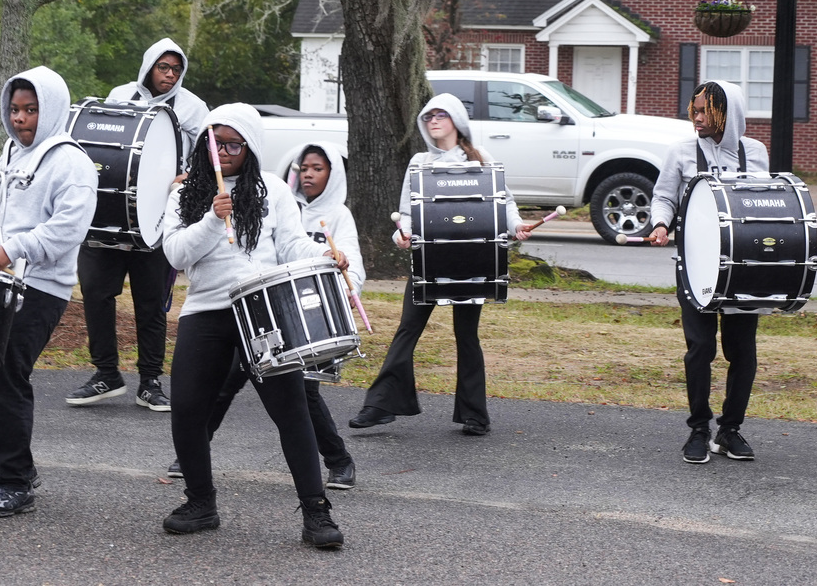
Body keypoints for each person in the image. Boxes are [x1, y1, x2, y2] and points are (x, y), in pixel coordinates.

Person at [161, 103, 347, 549]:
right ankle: (201, 502)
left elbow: (292, 246)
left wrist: (325, 257)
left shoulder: (275, 192)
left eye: (232, 144)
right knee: (186, 407)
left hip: (261, 307)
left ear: (250, 147)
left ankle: (316, 512)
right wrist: (211, 218)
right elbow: (175, 255)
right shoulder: (185, 194)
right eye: (214, 142)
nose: (222, 151)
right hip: (205, 308)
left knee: (290, 409)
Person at [0, 66, 98, 516]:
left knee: (7, 368)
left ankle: (16, 482)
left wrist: (13, 249)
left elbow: (67, 229)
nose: (20, 119)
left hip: (42, 286)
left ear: (49, 109)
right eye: (14, 110)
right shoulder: (12, 151)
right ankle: (6, 464)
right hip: (3, 281)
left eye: (30, 110)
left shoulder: (72, 162)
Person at [349, 92, 530, 435]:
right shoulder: (419, 162)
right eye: (428, 116)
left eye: (440, 116)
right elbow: (406, 214)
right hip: (428, 260)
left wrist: (516, 225)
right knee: (407, 329)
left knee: (466, 334)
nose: (432, 121)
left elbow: (503, 203)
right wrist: (400, 235)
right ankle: (380, 405)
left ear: (456, 121)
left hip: (472, 260)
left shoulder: (480, 158)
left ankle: (475, 415)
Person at [66, 38, 208, 411]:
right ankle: (106, 374)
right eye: (163, 67)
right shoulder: (121, 95)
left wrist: (187, 180)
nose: (170, 75)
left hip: (158, 223)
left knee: (150, 304)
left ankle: (150, 382)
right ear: (148, 67)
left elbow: (208, 160)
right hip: (110, 217)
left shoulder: (193, 108)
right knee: (96, 295)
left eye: (176, 69)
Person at [649, 80, 768, 465]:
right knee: (700, 349)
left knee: (742, 352)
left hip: (741, 266)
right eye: (694, 110)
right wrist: (661, 223)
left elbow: (763, 203)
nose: (696, 118)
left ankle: (729, 431)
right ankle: (699, 429)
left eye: (705, 112)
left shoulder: (754, 152)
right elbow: (664, 195)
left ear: (726, 114)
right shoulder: (681, 151)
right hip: (695, 265)